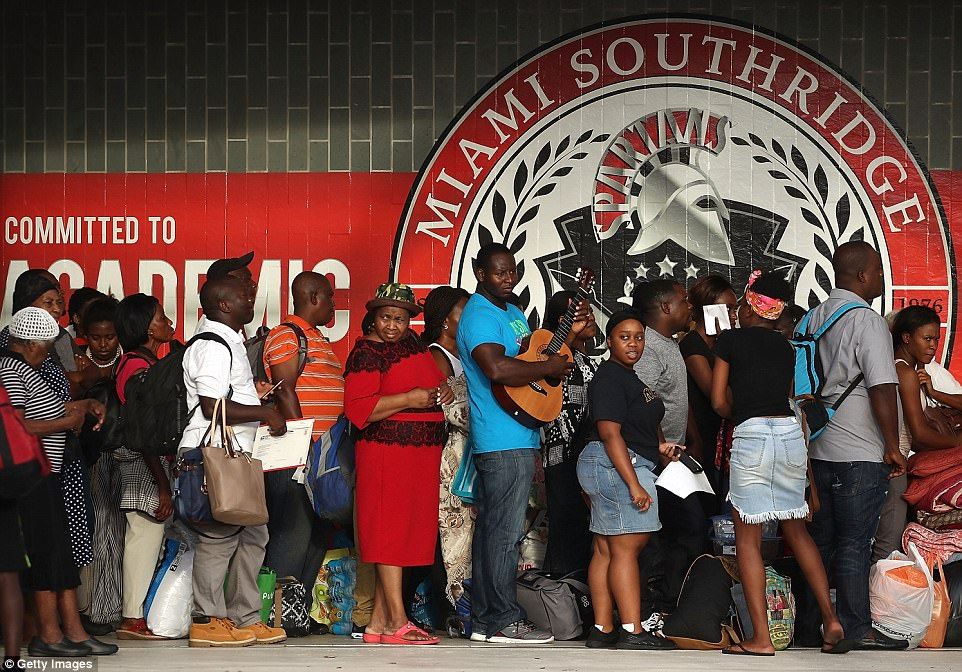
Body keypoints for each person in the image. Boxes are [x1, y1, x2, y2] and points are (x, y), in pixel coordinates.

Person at [710, 271, 849, 656]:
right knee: (797, 532)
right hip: (789, 434)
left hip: (753, 436)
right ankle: (831, 620)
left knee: (747, 539)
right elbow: (790, 400)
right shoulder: (786, 348)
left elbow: (719, 402)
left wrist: (742, 407)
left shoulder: (730, 341)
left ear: (751, 305)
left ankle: (761, 638)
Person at [456, 243, 582, 644]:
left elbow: (533, 360)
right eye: (499, 273)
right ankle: (500, 621)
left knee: (498, 531)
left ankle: (485, 619)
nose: (508, 279)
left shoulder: (512, 313)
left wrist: (560, 353)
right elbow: (497, 367)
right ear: (479, 273)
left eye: (512, 272)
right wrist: (550, 366)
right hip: (499, 437)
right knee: (503, 533)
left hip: (522, 431)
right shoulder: (480, 314)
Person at [801, 241, 907, 650]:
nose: (881, 277)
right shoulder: (867, 321)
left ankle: (815, 625)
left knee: (820, 542)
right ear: (862, 275)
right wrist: (892, 445)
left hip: (815, 451)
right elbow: (882, 387)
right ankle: (854, 628)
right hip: (859, 451)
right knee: (853, 543)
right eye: (878, 271)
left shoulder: (811, 319)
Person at [0, 308, 116, 657]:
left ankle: (74, 632)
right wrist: (69, 422)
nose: (48, 353)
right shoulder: (10, 369)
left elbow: (44, 409)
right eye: (46, 347)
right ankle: (48, 634)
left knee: (60, 554)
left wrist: (81, 404)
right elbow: (17, 426)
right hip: (30, 475)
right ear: (29, 343)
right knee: (46, 554)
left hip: (51, 470)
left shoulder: (31, 369)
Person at [181, 276, 288, 648]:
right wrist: (264, 412)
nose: (251, 299)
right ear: (224, 305)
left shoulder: (230, 341)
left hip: (237, 454)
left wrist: (253, 398)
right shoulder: (212, 345)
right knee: (219, 536)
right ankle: (207, 619)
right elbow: (211, 406)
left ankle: (244, 618)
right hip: (213, 453)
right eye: (245, 295)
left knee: (255, 534)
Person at [342, 282, 452, 645]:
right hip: (386, 455)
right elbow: (359, 410)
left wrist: (443, 390)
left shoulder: (412, 347)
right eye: (386, 317)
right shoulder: (366, 353)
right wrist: (410, 398)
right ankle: (396, 623)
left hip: (417, 458)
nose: (392, 326)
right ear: (373, 318)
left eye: (401, 319)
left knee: (405, 535)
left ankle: (376, 624)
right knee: (389, 533)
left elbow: (434, 386)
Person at [578, 310, 679, 651]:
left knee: (606, 548)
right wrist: (634, 483)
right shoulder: (610, 377)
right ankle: (632, 630)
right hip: (618, 466)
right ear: (609, 341)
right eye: (625, 337)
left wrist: (660, 447)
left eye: (638, 336)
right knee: (626, 548)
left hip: (614, 463)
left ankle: (603, 628)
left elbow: (633, 426)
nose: (633, 343)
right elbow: (609, 433)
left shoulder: (627, 376)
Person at [262, 271, 344, 622]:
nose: (334, 304)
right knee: (292, 536)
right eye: (329, 297)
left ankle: (295, 615)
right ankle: (273, 616)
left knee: (315, 538)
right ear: (312, 297)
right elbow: (283, 388)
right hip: (298, 457)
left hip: (321, 456)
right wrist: (305, 446)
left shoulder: (317, 339)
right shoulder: (287, 335)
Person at [631, 279, 706, 605]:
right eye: (684, 300)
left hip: (673, 453)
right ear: (665, 307)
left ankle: (671, 603)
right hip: (655, 458)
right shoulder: (649, 348)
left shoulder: (669, 343)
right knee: (677, 531)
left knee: (685, 530)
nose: (690, 306)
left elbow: (671, 397)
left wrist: (693, 435)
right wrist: (662, 446)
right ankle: (657, 604)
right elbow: (640, 399)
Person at [111, 293, 177, 639]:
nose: (168, 322)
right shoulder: (137, 367)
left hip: (149, 464)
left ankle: (138, 613)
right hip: (144, 465)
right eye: (161, 317)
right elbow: (145, 431)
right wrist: (163, 484)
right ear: (145, 328)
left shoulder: (144, 363)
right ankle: (131, 617)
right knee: (144, 536)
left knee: (149, 535)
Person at [873, 306, 961, 562]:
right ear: (906, 337)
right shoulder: (905, 373)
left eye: (936, 339)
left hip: (890, 461)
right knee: (887, 545)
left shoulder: (905, 370)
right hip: (894, 464)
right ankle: (876, 599)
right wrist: (957, 443)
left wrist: (935, 394)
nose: (933, 346)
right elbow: (920, 435)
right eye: (927, 338)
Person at [540, 290, 599, 576]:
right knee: (564, 535)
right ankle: (557, 601)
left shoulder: (588, 363)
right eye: (583, 312)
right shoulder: (547, 357)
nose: (590, 318)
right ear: (564, 320)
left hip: (586, 461)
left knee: (584, 534)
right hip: (558, 461)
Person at [423, 285, 472, 622]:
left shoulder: (464, 353)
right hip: (447, 459)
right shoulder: (437, 355)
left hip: (466, 457)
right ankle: (449, 608)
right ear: (445, 320)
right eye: (463, 312)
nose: (470, 319)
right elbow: (443, 406)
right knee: (449, 538)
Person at [77, 297, 125, 630]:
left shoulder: (130, 362)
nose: (104, 344)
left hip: (127, 452)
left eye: (109, 337)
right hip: (91, 455)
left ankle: (110, 607)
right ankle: (97, 610)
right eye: (96, 337)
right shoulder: (77, 365)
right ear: (86, 335)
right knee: (98, 529)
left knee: (118, 531)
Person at [679, 275, 738, 505]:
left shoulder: (721, 345)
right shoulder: (692, 345)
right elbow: (716, 394)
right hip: (701, 441)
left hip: (720, 443)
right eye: (728, 309)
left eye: (735, 309)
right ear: (708, 310)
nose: (734, 315)